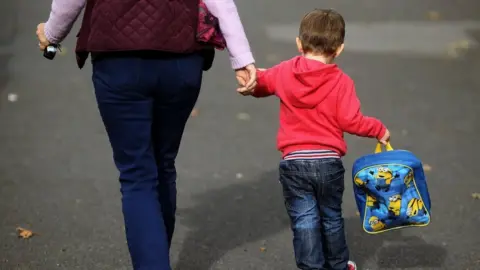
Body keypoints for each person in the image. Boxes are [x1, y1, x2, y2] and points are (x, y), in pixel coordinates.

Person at [36, 0, 256, 269]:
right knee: (163, 163)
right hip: (181, 61)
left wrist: (52, 33)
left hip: (119, 61)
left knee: (137, 174)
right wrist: (241, 58)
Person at [241, 9, 390, 270]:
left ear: (299, 43)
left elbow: (262, 83)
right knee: (331, 218)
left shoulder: (286, 70)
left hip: (295, 162)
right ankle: (338, 265)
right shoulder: (342, 81)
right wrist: (378, 129)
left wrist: (250, 79)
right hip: (328, 162)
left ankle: (311, 266)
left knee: (304, 220)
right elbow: (350, 121)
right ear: (339, 49)